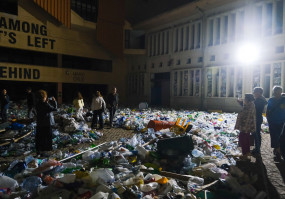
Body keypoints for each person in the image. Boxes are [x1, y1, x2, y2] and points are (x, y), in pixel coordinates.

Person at [35, 90, 57, 156]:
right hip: (46, 123)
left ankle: (40, 150)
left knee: (40, 138)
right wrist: (54, 101)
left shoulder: (37, 104)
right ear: (44, 97)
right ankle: (47, 150)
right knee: (48, 137)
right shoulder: (45, 104)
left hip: (39, 123)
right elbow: (55, 109)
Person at [235, 94, 256, 159]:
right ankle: (247, 152)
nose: (244, 99)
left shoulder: (248, 106)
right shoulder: (251, 104)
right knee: (246, 138)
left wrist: (239, 124)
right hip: (248, 125)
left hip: (245, 125)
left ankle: (245, 154)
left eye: (245, 98)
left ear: (247, 99)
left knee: (242, 138)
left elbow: (244, 115)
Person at [266, 86, 285, 160]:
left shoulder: (283, 100)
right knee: (274, 136)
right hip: (273, 121)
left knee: (279, 137)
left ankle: (278, 150)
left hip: (281, 122)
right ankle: (277, 149)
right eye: (276, 92)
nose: (277, 93)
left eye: (279, 92)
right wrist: (268, 119)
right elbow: (268, 111)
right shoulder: (271, 100)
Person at [252, 87, 268, 155]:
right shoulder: (260, 99)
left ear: (259, 93)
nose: (254, 94)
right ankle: (257, 148)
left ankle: (257, 149)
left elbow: (253, 108)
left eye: (255, 92)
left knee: (256, 134)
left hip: (257, 118)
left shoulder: (259, 101)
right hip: (257, 118)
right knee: (256, 133)